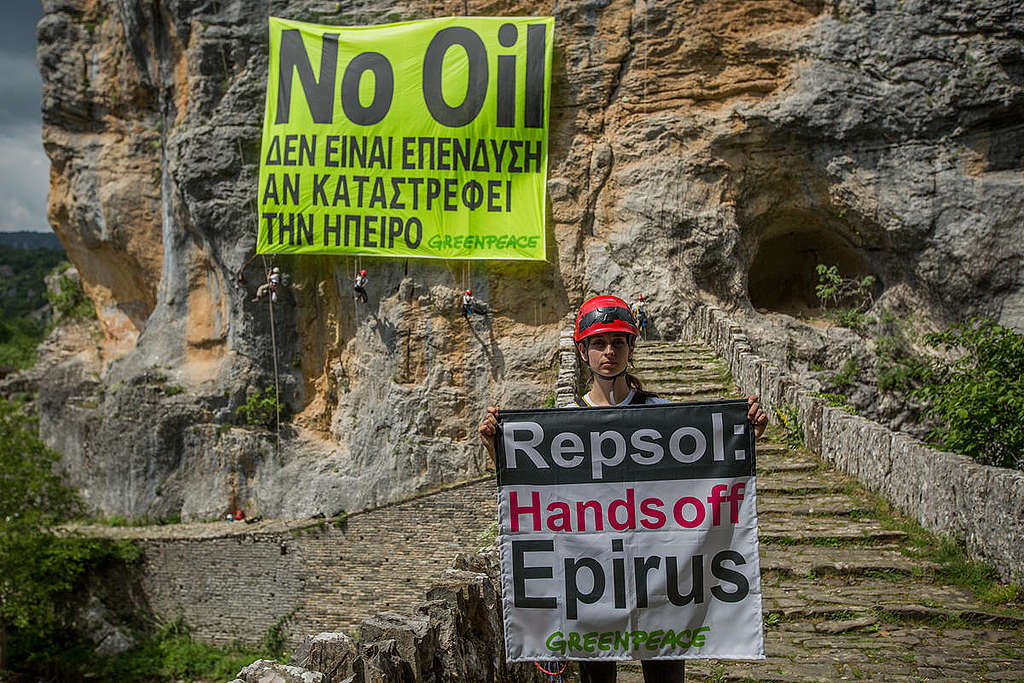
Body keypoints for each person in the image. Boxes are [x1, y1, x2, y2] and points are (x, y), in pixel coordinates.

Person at [478, 294, 768, 683]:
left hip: (662, 581)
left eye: (618, 342)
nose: (608, 352)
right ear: (583, 352)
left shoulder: (663, 413)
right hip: (591, 585)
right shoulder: (562, 422)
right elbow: (536, 495)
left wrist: (745, 434)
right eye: (598, 343)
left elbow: (706, 471)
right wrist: (499, 448)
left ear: (632, 348)